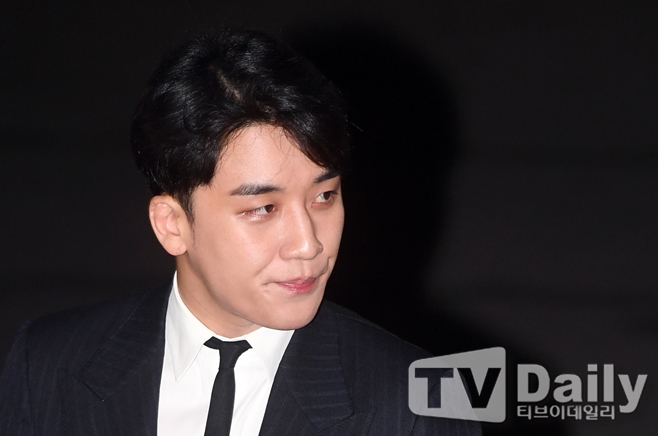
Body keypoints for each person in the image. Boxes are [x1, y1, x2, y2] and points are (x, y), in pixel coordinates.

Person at [0, 29, 481, 435]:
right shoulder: (47, 363)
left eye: (323, 197)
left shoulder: (420, 403)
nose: (308, 244)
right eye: (263, 208)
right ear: (172, 225)